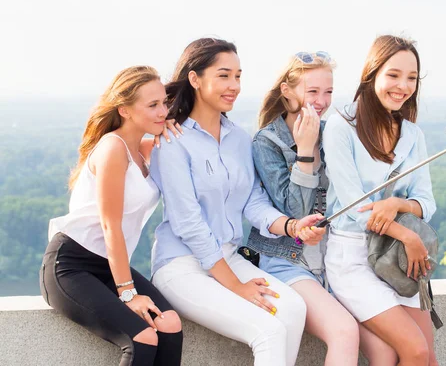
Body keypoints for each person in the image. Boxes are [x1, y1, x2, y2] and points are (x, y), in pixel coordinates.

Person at [149, 38, 327, 366]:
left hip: (229, 258)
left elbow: (253, 203)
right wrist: (237, 286)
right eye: (224, 76)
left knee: (293, 308)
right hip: (182, 266)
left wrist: (292, 226)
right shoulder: (173, 142)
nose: (234, 86)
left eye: (238, 76)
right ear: (195, 79)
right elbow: (188, 223)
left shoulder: (239, 140)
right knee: (268, 331)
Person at [246, 51, 399, 365]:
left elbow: (357, 195)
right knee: (343, 332)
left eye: (328, 92)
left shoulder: (336, 132)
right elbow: (295, 212)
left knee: (385, 351)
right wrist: (304, 150)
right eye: (312, 91)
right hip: (289, 262)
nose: (321, 100)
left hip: (334, 263)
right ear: (287, 91)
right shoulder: (267, 142)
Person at [41, 66, 184, 366]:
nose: (163, 112)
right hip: (71, 266)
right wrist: (128, 294)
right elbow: (111, 226)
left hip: (108, 266)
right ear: (125, 110)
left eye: (164, 103)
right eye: (153, 105)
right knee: (142, 337)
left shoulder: (145, 147)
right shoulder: (112, 149)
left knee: (170, 325)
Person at [323, 35, 439, 366]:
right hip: (354, 258)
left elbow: (426, 201)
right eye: (393, 75)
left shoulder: (412, 134)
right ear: (372, 73)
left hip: (397, 261)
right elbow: (354, 206)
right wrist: (406, 233)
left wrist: (397, 206)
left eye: (412, 78)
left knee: (428, 357)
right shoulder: (341, 126)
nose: (403, 86)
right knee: (413, 351)